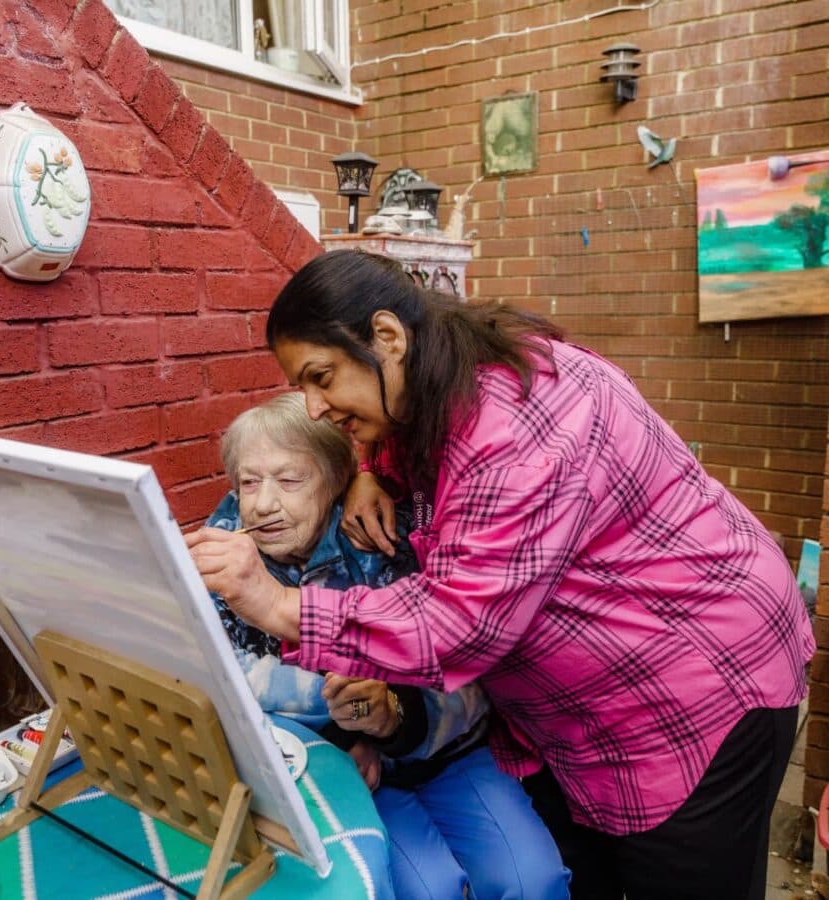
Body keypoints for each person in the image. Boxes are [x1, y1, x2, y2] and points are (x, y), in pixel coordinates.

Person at [187, 249, 816, 900]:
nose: (314, 408)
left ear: (388, 337)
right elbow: (411, 434)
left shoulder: (519, 422)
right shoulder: (442, 378)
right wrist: (372, 467)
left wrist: (273, 603)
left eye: (322, 377)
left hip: (697, 684)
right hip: (580, 715)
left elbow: (458, 625)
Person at [207, 392, 570, 900]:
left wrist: (397, 714)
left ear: (337, 483)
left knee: (531, 881)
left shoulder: (389, 537)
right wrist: (337, 724)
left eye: (290, 481)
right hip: (353, 772)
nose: (263, 503)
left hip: (451, 752)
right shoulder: (230, 546)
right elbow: (218, 670)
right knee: (430, 890)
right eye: (248, 482)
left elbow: (466, 667)